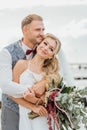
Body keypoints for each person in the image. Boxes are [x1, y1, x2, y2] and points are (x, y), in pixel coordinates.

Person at [0, 14, 45, 130]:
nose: (42, 33)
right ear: (25, 30)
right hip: (12, 110)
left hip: (36, 112)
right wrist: (32, 91)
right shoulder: (6, 52)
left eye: (43, 29)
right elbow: (5, 85)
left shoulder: (43, 50)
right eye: (37, 30)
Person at [11, 33, 61, 130]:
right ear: (39, 44)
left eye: (51, 49)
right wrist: (33, 107)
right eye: (45, 43)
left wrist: (35, 100)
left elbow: (53, 100)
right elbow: (12, 93)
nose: (46, 48)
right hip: (27, 116)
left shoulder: (50, 75)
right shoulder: (21, 64)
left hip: (46, 119)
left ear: (51, 56)